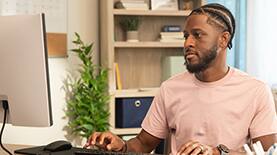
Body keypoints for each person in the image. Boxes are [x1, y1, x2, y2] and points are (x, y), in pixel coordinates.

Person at [85, 3, 277, 155]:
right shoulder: (170, 88)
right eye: (186, 36)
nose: (187, 43)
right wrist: (122, 147)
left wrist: (217, 152)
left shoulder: (256, 90)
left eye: (197, 35)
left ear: (223, 39)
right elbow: (143, 143)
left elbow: (266, 151)